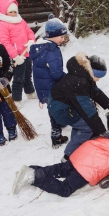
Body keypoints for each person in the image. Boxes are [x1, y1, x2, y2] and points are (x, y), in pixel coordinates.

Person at [12, 105, 109, 197]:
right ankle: (34, 177)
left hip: (86, 150)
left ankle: (31, 170)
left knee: (62, 169)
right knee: (65, 189)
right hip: (92, 166)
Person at [48, 52, 109, 162]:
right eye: (98, 77)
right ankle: (68, 156)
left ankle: (78, 143)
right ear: (92, 73)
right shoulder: (79, 82)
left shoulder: (83, 75)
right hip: (61, 110)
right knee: (87, 127)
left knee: (81, 124)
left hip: (63, 104)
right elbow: (88, 110)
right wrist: (102, 131)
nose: (98, 80)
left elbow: (95, 92)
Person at [29, 15, 68, 149]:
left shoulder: (40, 47)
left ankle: (58, 124)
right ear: (53, 36)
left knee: (52, 107)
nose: (63, 39)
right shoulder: (51, 50)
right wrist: (66, 78)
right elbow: (56, 74)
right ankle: (56, 136)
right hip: (52, 85)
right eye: (61, 37)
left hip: (43, 86)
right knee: (55, 108)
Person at [0, 0, 36, 106]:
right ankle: (16, 99)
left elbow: (29, 31)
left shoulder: (20, 20)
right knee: (18, 77)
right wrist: (15, 56)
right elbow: (5, 42)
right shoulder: (3, 24)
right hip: (16, 56)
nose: (13, 14)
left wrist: (31, 41)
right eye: (10, 12)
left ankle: (30, 92)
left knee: (28, 74)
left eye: (15, 11)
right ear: (5, 11)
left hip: (26, 52)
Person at [0, 44, 17, 145]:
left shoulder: (1, 48)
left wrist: (5, 78)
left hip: (3, 87)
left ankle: (11, 128)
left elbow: (9, 64)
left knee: (7, 109)